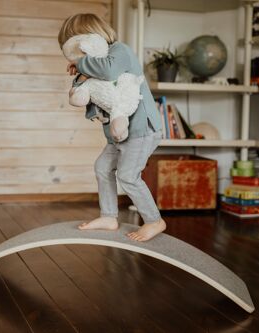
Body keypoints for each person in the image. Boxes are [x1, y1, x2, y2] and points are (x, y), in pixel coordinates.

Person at [58, 13, 166, 242]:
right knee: (102, 168)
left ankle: (154, 220)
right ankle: (109, 216)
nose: (75, 56)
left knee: (128, 176)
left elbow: (109, 70)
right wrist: (79, 76)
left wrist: (81, 64)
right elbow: (82, 93)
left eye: (75, 48)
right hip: (117, 135)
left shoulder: (120, 51)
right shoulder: (89, 65)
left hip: (141, 130)